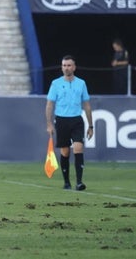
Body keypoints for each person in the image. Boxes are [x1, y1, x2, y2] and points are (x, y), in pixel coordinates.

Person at [46, 55, 93, 191]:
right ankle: (66, 182)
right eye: (64, 65)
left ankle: (79, 182)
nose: (66, 68)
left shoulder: (81, 83)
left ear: (74, 67)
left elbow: (87, 105)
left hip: (77, 120)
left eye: (69, 65)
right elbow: (49, 105)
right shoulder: (55, 84)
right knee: (65, 152)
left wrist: (91, 126)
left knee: (78, 148)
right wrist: (49, 124)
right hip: (61, 120)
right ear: (62, 67)